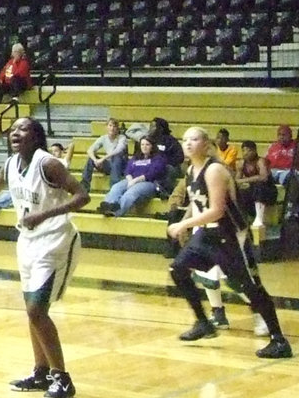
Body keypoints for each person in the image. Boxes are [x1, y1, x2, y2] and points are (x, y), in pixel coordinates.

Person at [0, 117, 87, 398]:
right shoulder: (11, 163)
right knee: (31, 310)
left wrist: (44, 214)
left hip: (55, 239)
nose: (15, 132)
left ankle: (62, 379)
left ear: (36, 137)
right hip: (27, 241)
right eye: (13, 129)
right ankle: (41, 372)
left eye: (22, 128)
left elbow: (82, 196)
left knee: (37, 309)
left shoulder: (48, 163)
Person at [166, 127, 291, 359]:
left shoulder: (214, 170)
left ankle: (279, 340)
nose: (188, 143)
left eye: (194, 139)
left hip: (229, 235)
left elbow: (216, 210)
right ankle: (204, 322)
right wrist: (186, 222)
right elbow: (197, 202)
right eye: (185, 140)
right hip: (206, 235)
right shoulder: (191, 170)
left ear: (206, 144)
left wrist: (184, 225)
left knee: (249, 287)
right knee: (177, 269)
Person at [96, 136, 168, 217]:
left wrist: (135, 181)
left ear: (152, 146)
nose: (144, 147)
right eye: (142, 144)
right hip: (131, 180)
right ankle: (108, 206)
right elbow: (128, 170)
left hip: (149, 183)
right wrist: (130, 180)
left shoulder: (158, 158)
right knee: (116, 187)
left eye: (147, 145)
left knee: (132, 192)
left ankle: (117, 211)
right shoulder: (136, 157)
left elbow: (152, 173)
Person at [234, 140, 276, 234]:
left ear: (254, 151)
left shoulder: (261, 161)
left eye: (248, 150)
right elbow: (237, 180)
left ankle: (259, 218)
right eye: (243, 151)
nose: (245, 153)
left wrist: (244, 180)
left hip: (268, 191)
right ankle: (243, 219)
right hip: (253, 191)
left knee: (259, 186)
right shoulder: (241, 163)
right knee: (240, 192)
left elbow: (263, 177)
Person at [80, 117, 128, 192]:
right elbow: (90, 150)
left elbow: (118, 150)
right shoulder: (103, 138)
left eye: (114, 126)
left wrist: (103, 158)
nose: (112, 128)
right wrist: (95, 160)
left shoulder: (122, 138)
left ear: (117, 128)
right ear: (106, 127)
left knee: (116, 157)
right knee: (91, 159)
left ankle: (114, 188)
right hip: (109, 165)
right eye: (110, 125)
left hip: (121, 166)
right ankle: (84, 186)